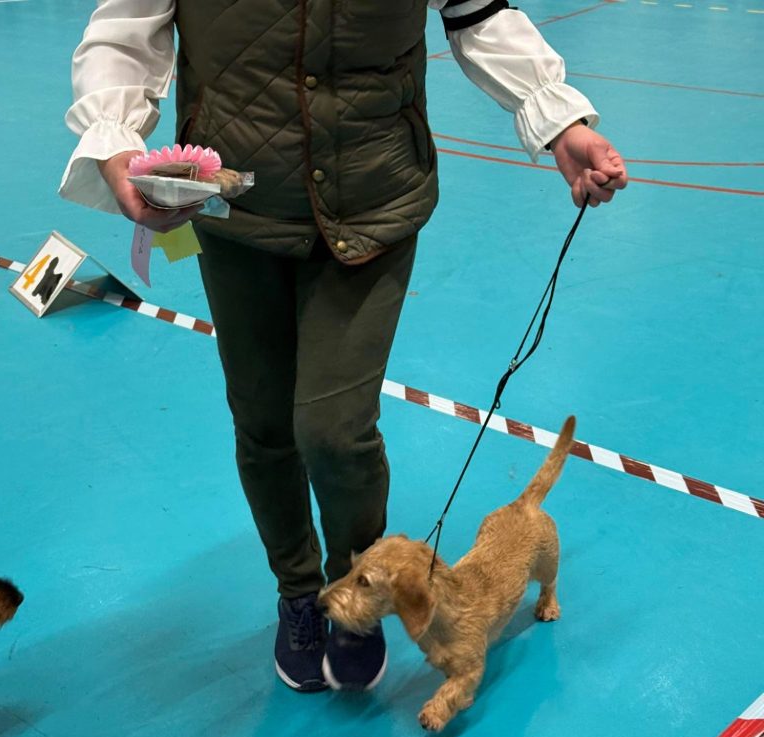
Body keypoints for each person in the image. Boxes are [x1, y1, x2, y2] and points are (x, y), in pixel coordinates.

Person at [61, 0, 627, 695]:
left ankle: (357, 587)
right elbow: (125, 28)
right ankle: (299, 594)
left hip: (374, 202)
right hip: (233, 215)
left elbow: (476, 12)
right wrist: (115, 140)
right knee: (263, 424)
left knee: (334, 431)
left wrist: (557, 118)